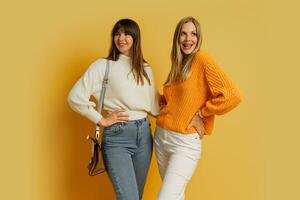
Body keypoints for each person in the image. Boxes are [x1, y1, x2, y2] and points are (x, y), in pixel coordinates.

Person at [67, 18, 160, 200]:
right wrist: (101, 120)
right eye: (117, 34)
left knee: (136, 197)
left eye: (126, 34)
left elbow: (156, 107)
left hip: (144, 137)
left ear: (136, 37)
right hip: (117, 137)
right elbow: (74, 97)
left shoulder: (145, 69)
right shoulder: (104, 66)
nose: (121, 38)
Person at [154, 17, 242, 200]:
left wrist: (202, 114)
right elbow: (175, 102)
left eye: (193, 34)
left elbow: (233, 95)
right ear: (177, 38)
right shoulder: (178, 64)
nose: (188, 39)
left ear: (199, 37)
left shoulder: (202, 59)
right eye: (183, 34)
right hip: (162, 138)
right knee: (176, 196)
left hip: (184, 143)